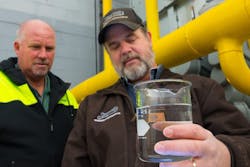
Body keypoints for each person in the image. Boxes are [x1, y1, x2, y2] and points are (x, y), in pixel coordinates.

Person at [62, 8, 250, 167]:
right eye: (114, 46)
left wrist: (226, 153)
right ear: (109, 55)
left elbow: (245, 141)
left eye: (131, 38)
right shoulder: (91, 107)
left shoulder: (200, 90)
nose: (125, 50)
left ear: (149, 38)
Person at [0, 19, 78, 167]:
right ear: (17, 47)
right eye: (36, 47)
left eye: (49, 49)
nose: (43, 55)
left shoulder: (67, 97)